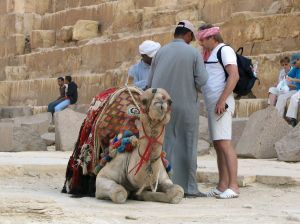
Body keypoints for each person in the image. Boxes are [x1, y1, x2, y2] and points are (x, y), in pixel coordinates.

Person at [147, 20, 208, 198]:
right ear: (188, 35)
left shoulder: (160, 52)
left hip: (160, 107)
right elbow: (202, 81)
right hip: (185, 105)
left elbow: (150, 83)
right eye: (192, 37)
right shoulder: (193, 52)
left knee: (163, 144)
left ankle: (161, 183)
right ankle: (188, 188)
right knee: (187, 144)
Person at [197, 25, 239, 199]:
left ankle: (233, 186)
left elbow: (234, 76)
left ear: (212, 37)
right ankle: (222, 185)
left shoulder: (225, 50)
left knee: (224, 144)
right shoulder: (209, 53)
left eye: (203, 39)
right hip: (214, 104)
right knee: (218, 145)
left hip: (222, 103)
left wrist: (222, 100)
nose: (200, 42)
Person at [286, 53, 300, 127]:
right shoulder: (296, 68)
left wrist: (292, 79)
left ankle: (293, 119)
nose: (294, 65)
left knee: (294, 97)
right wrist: (287, 77)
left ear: (299, 60)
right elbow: (288, 75)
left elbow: (293, 78)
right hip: (298, 90)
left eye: (294, 63)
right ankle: (291, 118)